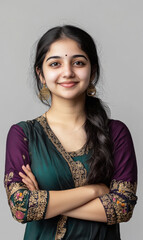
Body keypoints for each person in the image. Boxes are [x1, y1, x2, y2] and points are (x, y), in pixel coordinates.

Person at [4, 25, 137, 240]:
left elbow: (122, 207)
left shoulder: (116, 132)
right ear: (41, 74)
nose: (67, 72)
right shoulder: (23, 134)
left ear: (92, 70)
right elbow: (21, 207)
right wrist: (95, 191)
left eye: (78, 62)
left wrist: (43, 201)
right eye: (55, 63)